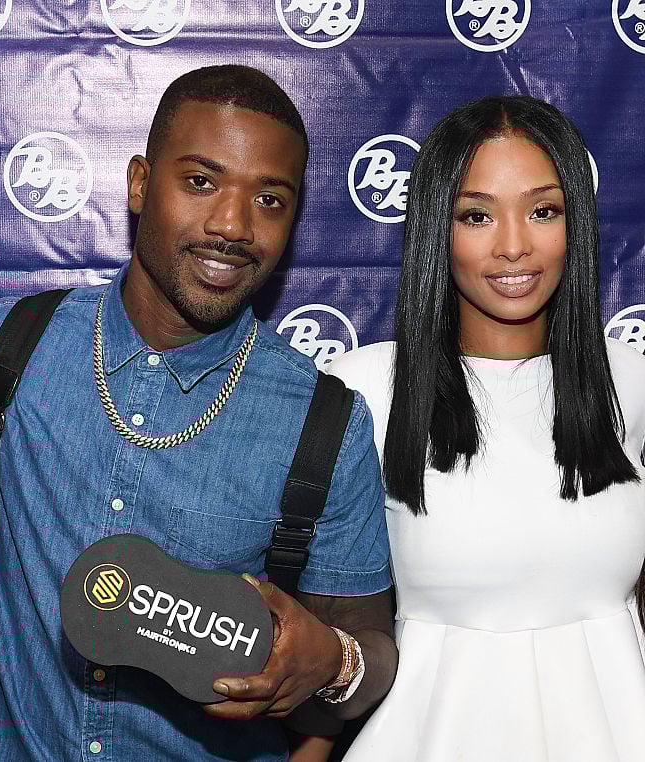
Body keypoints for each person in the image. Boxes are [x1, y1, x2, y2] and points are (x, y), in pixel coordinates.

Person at [0, 65, 398, 761]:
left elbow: (371, 649)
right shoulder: (4, 349)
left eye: (269, 199)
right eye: (201, 182)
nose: (232, 225)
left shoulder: (324, 423)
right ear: (139, 184)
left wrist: (336, 663)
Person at [329, 95, 645, 761]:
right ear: (436, 227)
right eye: (476, 215)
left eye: (543, 211)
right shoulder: (361, 390)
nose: (513, 245)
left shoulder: (633, 380)